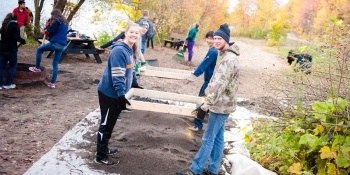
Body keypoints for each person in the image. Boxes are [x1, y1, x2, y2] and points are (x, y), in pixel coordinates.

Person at [176, 23, 240, 175]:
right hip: (223, 104)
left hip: (220, 105)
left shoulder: (228, 59)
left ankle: (195, 170)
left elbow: (219, 85)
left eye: (219, 39)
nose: (216, 41)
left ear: (226, 40)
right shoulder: (225, 55)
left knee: (208, 139)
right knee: (218, 139)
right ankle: (212, 169)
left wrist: (205, 105)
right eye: (215, 38)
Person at [95, 22, 141, 165]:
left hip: (119, 93)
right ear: (125, 33)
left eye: (137, 33)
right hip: (110, 93)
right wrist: (121, 95)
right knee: (106, 124)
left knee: (111, 123)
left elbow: (130, 69)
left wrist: (134, 83)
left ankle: (105, 148)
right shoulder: (119, 51)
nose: (134, 35)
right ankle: (100, 156)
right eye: (131, 32)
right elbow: (117, 75)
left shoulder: (130, 49)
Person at [186, 31, 218, 132]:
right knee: (207, 103)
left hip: (209, 82)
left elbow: (204, 65)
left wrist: (194, 75)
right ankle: (204, 123)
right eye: (207, 38)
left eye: (211, 38)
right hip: (212, 81)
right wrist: (195, 70)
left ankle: (197, 125)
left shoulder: (213, 51)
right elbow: (204, 63)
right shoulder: (213, 50)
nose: (209, 40)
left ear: (215, 39)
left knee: (201, 102)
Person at [28, 9, 68, 88]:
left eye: (52, 15)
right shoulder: (65, 22)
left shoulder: (57, 20)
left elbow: (50, 30)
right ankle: (52, 83)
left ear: (54, 15)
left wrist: (47, 25)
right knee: (55, 64)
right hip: (62, 45)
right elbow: (57, 32)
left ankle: (37, 68)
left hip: (55, 43)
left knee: (39, 49)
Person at [0, 13, 26, 89]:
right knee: (12, 66)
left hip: (2, 49)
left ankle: (0, 85)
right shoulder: (15, 26)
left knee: (1, 67)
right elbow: (16, 37)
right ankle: (8, 84)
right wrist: (23, 41)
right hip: (11, 50)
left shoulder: (4, 25)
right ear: (16, 19)